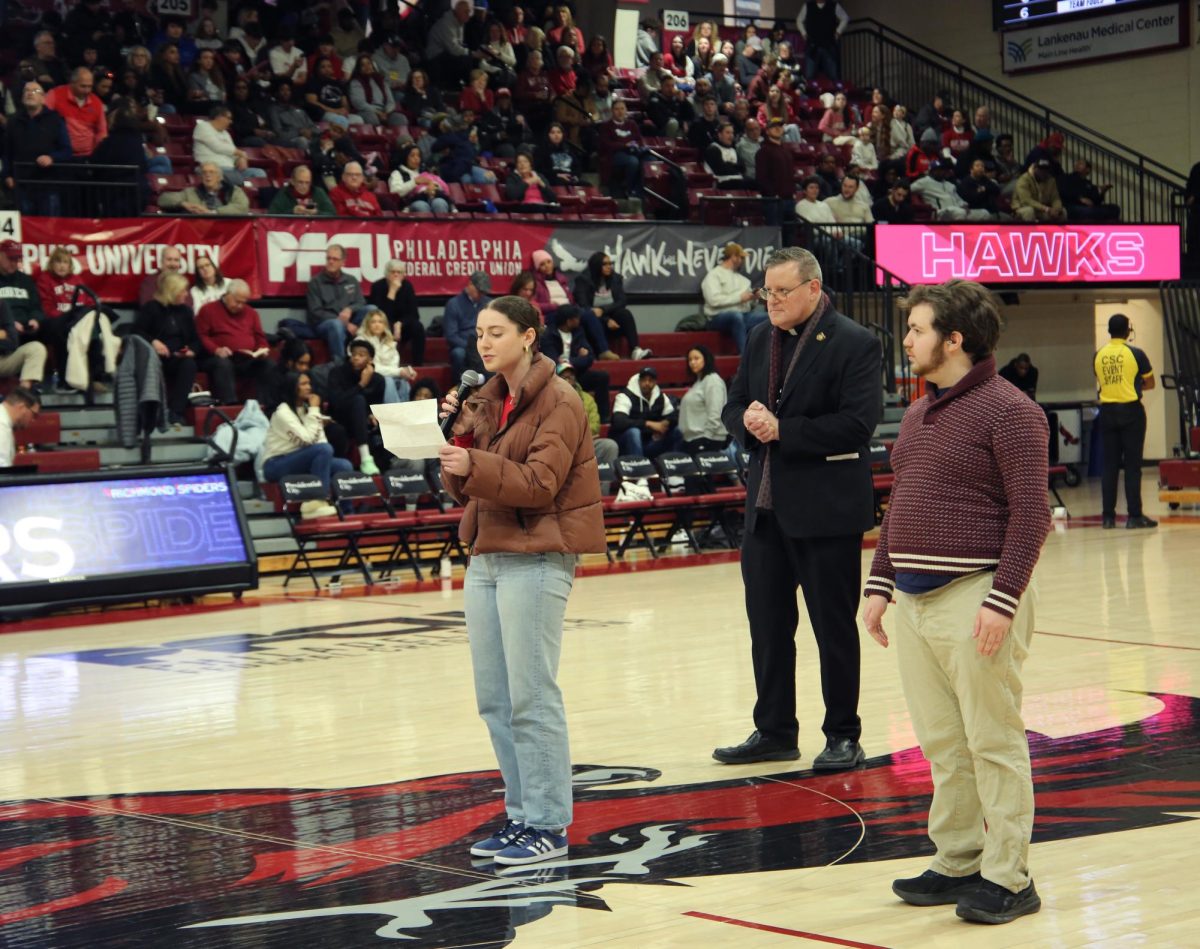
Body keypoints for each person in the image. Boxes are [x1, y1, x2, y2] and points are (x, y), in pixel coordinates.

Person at [862, 279, 1050, 926]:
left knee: (992, 738)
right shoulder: (918, 413)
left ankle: (1009, 874)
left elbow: (1032, 517)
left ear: (955, 338)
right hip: (913, 600)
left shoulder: (1013, 411)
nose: (907, 340)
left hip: (977, 594)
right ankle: (960, 856)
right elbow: (900, 506)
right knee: (943, 740)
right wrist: (878, 584)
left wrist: (1003, 599)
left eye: (916, 329)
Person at [437, 293, 605, 865]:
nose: (483, 342)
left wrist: (473, 465)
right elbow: (471, 488)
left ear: (529, 336)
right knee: (496, 698)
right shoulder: (488, 400)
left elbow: (538, 485)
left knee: (532, 696)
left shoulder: (560, 400)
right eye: (479, 333)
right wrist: (457, 448)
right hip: (486, 555)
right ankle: (521, 815)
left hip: (536, 556)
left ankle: (549, 824)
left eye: (496, 332)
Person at [714, 246, 881, 770]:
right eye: (767, 291)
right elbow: (734, 403)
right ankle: (775, 731)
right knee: (766, 625)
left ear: (814, 288)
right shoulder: (760, 336)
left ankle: (843, 734)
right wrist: (748, 421)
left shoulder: (856, 342)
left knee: (832, 627)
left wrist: (785, 430)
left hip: (827, 509)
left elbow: (858, 425)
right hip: (765, 508)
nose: (772, 301)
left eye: (783, 291)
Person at [1094, 314, 1157, 530]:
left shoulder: (1098, 355)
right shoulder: (1136, 353)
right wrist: (1135, 386)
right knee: (1132, 466)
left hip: (1107, 412)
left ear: (1109, 331)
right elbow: (1150, 383)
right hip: (1131, 412)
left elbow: (1101, 380)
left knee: (1109, 466)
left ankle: (1108, 518)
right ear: (1127, 331)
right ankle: (1134, 517)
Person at [261, 370, 352, 519]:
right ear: (293, 388)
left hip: (301, 460)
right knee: (324, 450)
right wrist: (315, 410)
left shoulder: (307, 410)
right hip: (276, 464)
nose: (309, 387)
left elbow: (321, 443)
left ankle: (345, 512)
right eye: (303, 384)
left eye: (309, 383)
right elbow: (307, 439)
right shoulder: (282, 412)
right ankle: (317, 502)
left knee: (344, 465)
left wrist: (314, 413)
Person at [134, 271, 200, 423]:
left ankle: (176, 412)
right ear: (172, 292)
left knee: (189, 364)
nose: (186, 294)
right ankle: (153, 413)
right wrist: (153, 341)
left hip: (178, 357)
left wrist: (191, 350)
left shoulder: (186, 311)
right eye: (182, 291)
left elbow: (195, 339)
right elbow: (136, 331)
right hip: (156, 357)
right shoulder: (151, 308)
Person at [194, 279, 272, 404]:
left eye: (244, 302)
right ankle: (230, 405)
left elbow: (260, 337)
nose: (240, 306)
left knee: (268, 365)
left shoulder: (252, 313)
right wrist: (216, 349)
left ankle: (264, 406)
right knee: (223, 364)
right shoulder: (208, 310)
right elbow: (201, 336)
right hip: (218, 358)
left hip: (246, 358)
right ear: (227, 295)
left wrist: (262, 349)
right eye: (237, 302)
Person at [532, 250, 619, 361]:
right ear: (537, 267)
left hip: (569, 309)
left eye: (548, 262)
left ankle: (603, 351)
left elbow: (571, 299)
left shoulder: (560, 279)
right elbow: (535, 305)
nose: (547, 266)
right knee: (577, 318)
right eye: (542, 264)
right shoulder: (536, 283)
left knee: (588, 315)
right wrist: (553, 306)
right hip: (552, 313)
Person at [4, 82, 72, 217]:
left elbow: (66, 150)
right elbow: (7, 151)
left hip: (47, 183)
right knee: (26, 226)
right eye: (26, 91)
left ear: (43, 98)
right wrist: (7, 175)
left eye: (35, 91)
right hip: (22, 183)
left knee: (49, 226)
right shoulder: (14, 121)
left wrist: (52, 158)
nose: (30, 93)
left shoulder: (55, 119)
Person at [325, 337, 387, 475]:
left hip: (362, 422)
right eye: (354, 354)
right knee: (358, 399)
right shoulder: (337, 373)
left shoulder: (378, 380)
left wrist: (372, 414)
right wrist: (361, 385)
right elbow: (336, 403)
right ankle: (366, 459)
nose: (356, 358)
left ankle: (386, 469)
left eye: (361, 355)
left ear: (370, 359)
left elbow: (376, 406)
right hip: (339, 418)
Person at [539, 305, 610, 423]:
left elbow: (589, 357)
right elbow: (553, 363)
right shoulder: (549, 335)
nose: (579, 320)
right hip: (557, 377)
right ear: (569, 321)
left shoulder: (579, 332)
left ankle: (604, 418)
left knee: (602, 377)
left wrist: (568, 361)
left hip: (577, 373)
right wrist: (578, 358)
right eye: (576, 318)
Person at [574, 251, 650, 361]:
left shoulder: (615, 278)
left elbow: (622, 301)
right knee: (591, 315)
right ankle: (602, 352)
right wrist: (606, 320)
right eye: (605, 264)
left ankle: (635, 350)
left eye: (610, 264)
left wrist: (603, 310)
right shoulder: (583, 280)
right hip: (595, 322)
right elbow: (583, 305)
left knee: (625, 313)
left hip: (612, 319)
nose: (609, 267)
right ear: (597, 265)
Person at [700, 242, 770, 355]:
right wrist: (739, 298)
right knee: (736, 317)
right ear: (734, 257)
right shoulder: (714, 275)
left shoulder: (743, 280)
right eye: (741, 257)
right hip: (717, 317)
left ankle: (768, 353)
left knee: (770, 317)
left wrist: (753, 298)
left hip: (744, 315)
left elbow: (750, 306)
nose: (743, 260)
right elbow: (713, 300)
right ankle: (745, 356)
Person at [306, 243, 368, 361]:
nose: (331, 262)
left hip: (349, 319)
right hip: (325, 324)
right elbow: (316, 312)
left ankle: (372, 359)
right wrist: (343, 322)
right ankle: (340, 365)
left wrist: (350, 309)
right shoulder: (315, 282)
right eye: (328, 258)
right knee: (336, 325)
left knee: (371, 309)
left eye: (335, 259)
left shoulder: (351, 280)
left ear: (343, 262)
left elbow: (361, 302)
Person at [608, 366, 682, 460]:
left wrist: (665, 423)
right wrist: (648, 424)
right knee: (634, 432)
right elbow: (619, 422)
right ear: (639, 381)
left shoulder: (660, 397)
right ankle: (639, 469)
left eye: (650, 380)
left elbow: (674, 415)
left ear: (655, 382)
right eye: (644, 380)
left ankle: (675, 465)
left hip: (650, 443)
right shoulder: (624, 396)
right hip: (625, 444)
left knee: (677, 430)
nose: (647, 383)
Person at [369, 260, 426, 367]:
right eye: (392, 272)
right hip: (383, 326)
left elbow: (414, 315)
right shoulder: (377, 286)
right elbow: (380, 315)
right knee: (380, 325)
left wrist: (400, 324)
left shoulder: (407, 286)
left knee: (418, 327)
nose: (396, 275)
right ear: (387, 273)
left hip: (402, 326)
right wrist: (392, 291)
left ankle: (418, 364)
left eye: (399, 272)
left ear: (404, 275)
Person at [44, 67, 107, 158]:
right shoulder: (55, 94)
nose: (87, 90)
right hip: (60, 155)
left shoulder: (96, 102)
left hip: (87, 156)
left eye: (90, 86)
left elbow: (102, 131)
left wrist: (97, 153)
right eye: (83, 86)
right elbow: (43, 119)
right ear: (72, 83)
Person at [356, 309, 415, 404]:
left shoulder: (390, 343)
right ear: (367, 324)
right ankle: (393, 414)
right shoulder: (361, 341)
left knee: (403, 382)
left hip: (388, 375)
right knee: (388, 381)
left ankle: (405, 413)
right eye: (373, 322)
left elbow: (394, 366)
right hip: (367, 377)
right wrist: (399, 372)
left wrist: (405, 372)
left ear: (384, 325)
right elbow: (373, 368)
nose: (377, 325)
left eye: (380, 322)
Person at [678, 345, 729, 452]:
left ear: (706, 359)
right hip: (693, 438)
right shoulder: (699, 382)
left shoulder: (713, 381)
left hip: (707, 439)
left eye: (696, 358)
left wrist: (707, 438)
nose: (692, 362)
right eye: (690, 359)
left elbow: (716, 412)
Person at [444, 271, 491, 379]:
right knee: (458, 354)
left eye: (483, 292)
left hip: (485, 342)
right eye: (479, 291)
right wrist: (471, 347)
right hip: (463, 344)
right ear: (470, 284)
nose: (481, 295)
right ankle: (459, 386)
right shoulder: (454, 304)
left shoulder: (489, 303)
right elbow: (451, 336)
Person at [755, 118, 796, 240]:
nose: (778, 128)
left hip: (789, 199)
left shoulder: (786, 151)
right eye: (774, 126)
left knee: (789, 236)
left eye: (780, 126)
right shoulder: (763, 151)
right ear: (767, 131)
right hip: (773, 202)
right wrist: (773, 194)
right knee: (775, 236)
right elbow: (761, 178)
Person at [158, 161, 249, 215]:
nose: (207, 175)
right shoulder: (191, 192)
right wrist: (182, 203)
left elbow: (242, 207)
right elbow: (163, 199)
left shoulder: (233, 191)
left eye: (212, 172)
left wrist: (213, 213)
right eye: (204, 173)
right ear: (201, 177)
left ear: (220, 177)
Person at [797, 1, 849, 82]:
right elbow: (799, 20)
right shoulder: (808, 6)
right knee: (810, 75)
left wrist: (838, 32)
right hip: (812, 46)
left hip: (829, 46)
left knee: (833, 75)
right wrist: (804, 33)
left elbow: (845, 18)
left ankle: (834, 93)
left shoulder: (833, 5)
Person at [1012, 158, 1066, 223]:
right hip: (1023, 207)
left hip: (1042, 209)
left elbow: (1055, 198)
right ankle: (1028, 232)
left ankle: (1056, 232)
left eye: (1045, 169)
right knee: (1029, 211)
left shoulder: (1051, 180)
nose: (1043, 172)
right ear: (1035, 168)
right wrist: (1047, 209)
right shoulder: (1024, 179)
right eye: (1041, 169)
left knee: (1063, 212)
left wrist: (1056, 209)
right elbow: (1026, 200)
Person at [268, 164, 334, 216]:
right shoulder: (284, 194)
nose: (304, 186)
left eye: (307, 183)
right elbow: (271, 217)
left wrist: (317, 213)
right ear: (292, 181)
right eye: (300, 182)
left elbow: (333, 214)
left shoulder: (319, 193)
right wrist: (292, 212)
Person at [0, 387, 41, 467]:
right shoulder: (2, 426)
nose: (33, 420)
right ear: (22, 408)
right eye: (34, 415)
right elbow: (2, 471)